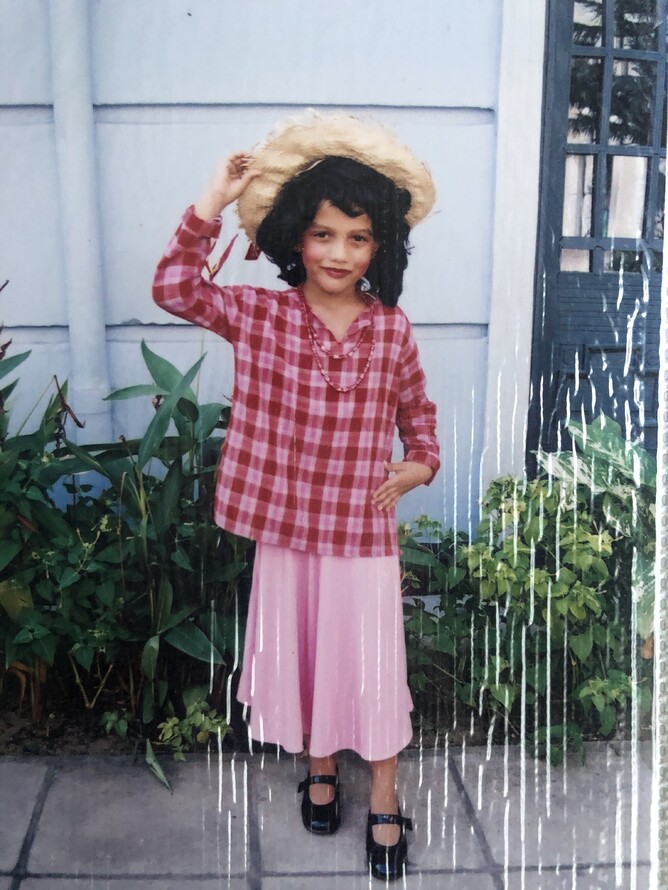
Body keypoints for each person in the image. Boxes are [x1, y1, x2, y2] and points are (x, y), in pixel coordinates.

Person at [152, 111, 440, 881]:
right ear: (293, 238)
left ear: (380, 246)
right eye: (321, 235)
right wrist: (213, 198)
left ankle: (383, 788)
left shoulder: (393, 330)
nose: (338, 253)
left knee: (372, 662)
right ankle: (318, 763)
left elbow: (418, 413)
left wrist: (422, 463)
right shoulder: (261, 315)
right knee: (309, 653)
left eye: (357, 237)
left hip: (362, 529)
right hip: (287, 526)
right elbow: (175, 287)